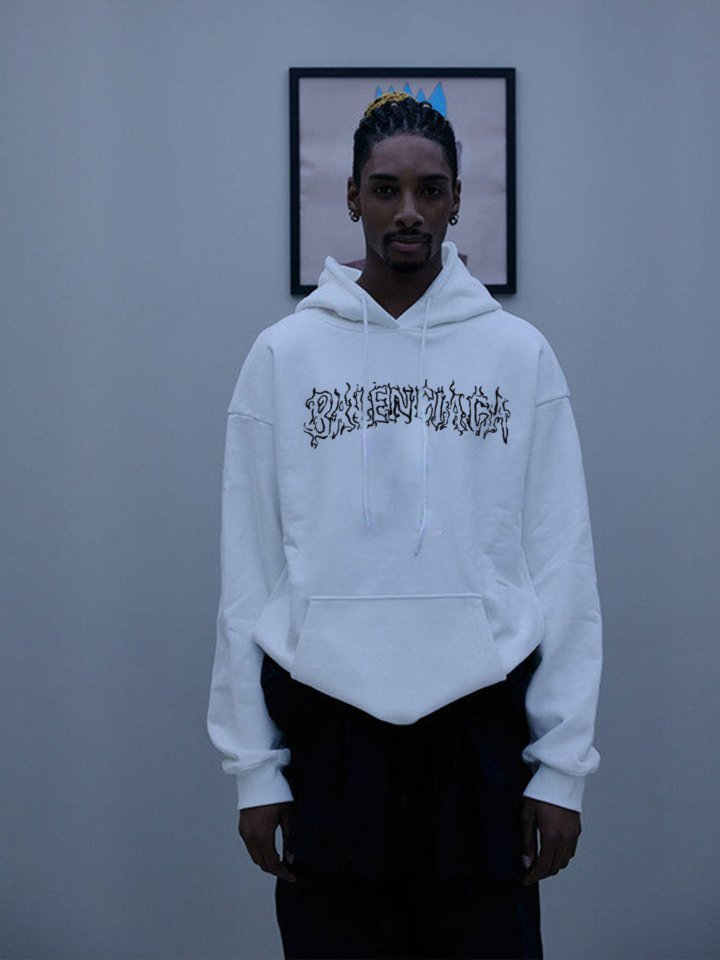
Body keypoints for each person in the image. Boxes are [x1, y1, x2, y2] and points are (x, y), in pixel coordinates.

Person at [206, 92, 603, 960]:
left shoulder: (517, 355)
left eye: (431, 190)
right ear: (352, 198)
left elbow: (562, 566)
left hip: (477, 736)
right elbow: (250, 573)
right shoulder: (283, 356)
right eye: (385, 189)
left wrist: (562, 768)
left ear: (459, 199)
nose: (409, 211)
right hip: (331, 734)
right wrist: (255, 771)